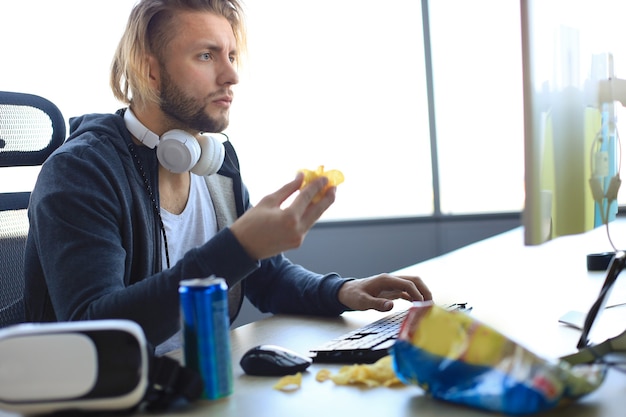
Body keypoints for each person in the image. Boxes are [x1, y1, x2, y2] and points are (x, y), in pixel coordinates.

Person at [23, 0, 432, 354]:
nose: (231, 75)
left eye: (232, 56)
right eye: (206, 55)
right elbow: (98, 333)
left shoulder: (215, 160)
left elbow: (266, 276)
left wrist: (341, 291)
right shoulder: (81, 171)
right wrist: (238, 247)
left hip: (196, 379)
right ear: (149, 72)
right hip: (108, 394)